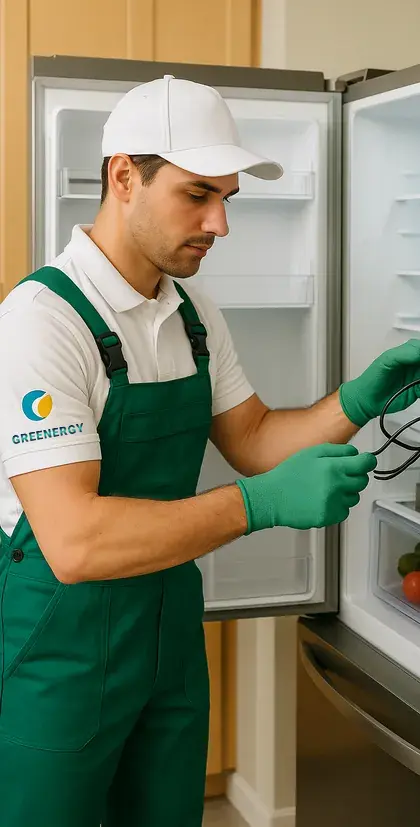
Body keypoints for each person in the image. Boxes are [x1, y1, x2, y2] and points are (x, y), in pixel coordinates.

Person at [0, 74, 419, 827]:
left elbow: (255, 438)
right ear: (124, 177)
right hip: (58, 645)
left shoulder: (191, 309)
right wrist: (255, 507)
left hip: (166, 637)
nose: (220, 223)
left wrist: (357, 399)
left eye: (227, 197)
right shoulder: (42, 320)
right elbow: (73, 540)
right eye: (198, 194)